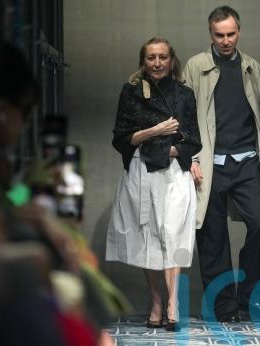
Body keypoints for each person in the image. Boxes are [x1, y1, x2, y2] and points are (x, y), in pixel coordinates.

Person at [182, 5, 260, 322]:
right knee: (212, 236)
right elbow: (183, 118)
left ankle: (250, 301)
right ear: (210, 34)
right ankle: (224, 307)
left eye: (231, 34)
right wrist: (190, 158)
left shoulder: (252, 66)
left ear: (239, 31)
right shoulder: (195, 66)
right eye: (219, 35)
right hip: (208, 164)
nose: (225, 41)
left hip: (247, 162)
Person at [107, 37, 201, 331]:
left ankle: (173, 302)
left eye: (162, 57)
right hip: (142, 171)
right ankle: (156, 301)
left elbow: (193, 139)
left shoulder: (184, 94)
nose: (157, 63)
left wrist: (170, 150)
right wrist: (156, 130)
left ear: (172, 60)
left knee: (173, 233)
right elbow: (122, 138)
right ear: (143, 61)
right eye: (151, 57)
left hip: (173, 173)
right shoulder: (131, 91)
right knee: (146, 235)